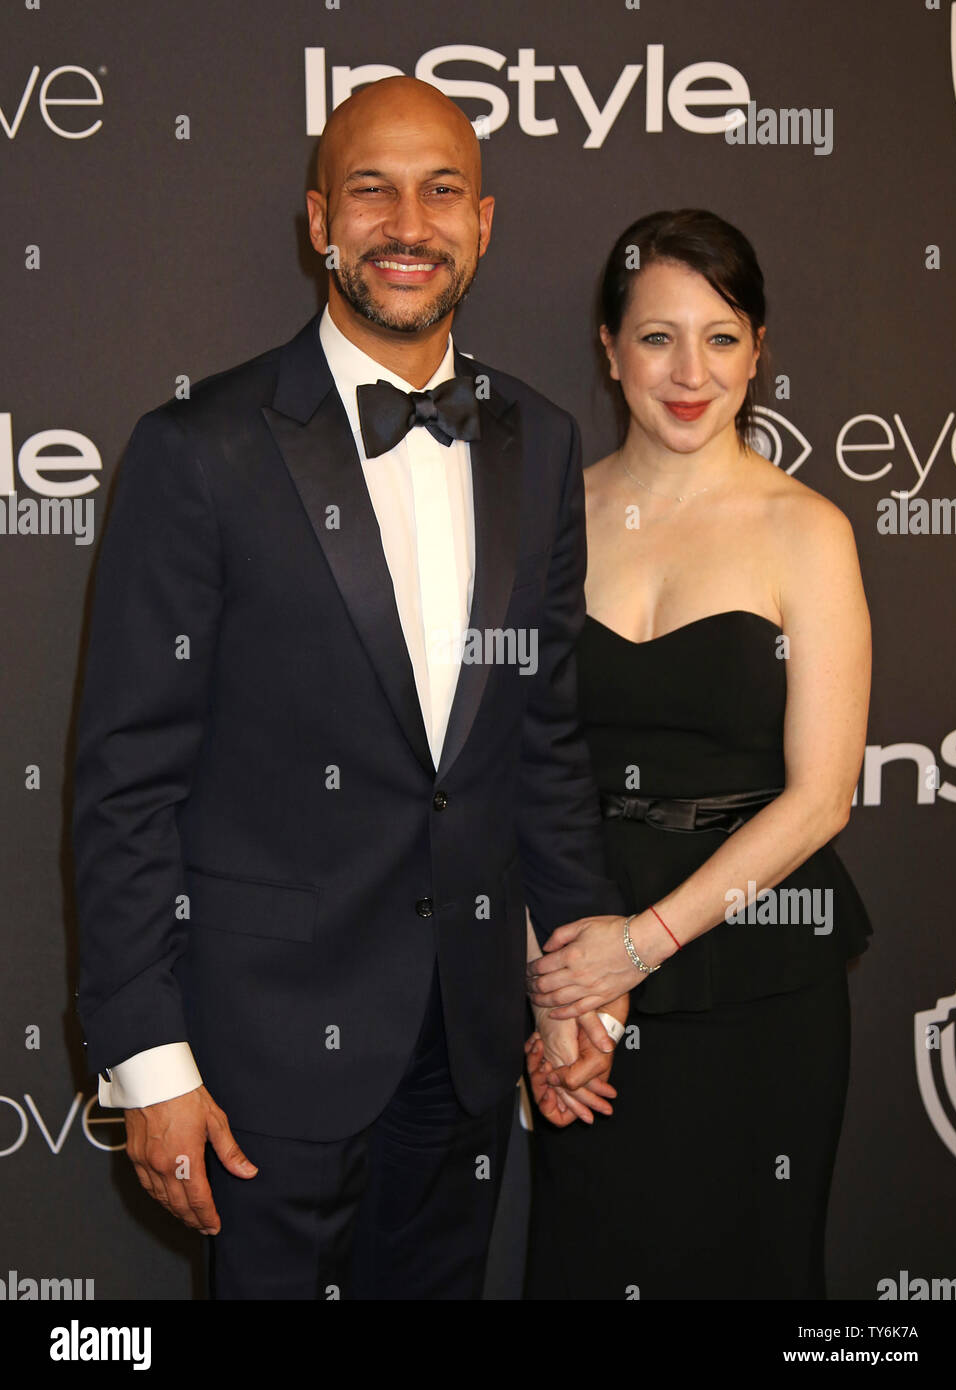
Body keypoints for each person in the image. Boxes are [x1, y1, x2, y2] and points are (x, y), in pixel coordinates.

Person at [71, 75, 627, 1301]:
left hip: (466, 1044)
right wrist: (150, 1061)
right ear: (318, 219)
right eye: (370, 190)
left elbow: (542, 737)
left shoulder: (537, 443)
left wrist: (574, 975)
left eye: (440, 191)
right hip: (263, 1050)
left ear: (484, 223)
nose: (405, 223)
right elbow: (125, 779)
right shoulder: (199, 447)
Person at [525, 209, 873, 1300]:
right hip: (583, 962)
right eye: (656, 337)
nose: (688, 372)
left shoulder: (803, 529)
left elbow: (821, 797)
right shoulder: (545, 523)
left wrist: (644, 943)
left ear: (757, 349)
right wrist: (555, 989)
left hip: (750, 965)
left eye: (719, 337)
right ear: (607, 345)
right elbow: (518, 770)